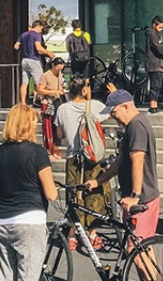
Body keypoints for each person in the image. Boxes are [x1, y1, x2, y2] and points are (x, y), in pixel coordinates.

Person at [0, 103, 58, 281]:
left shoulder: (0, 152)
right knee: (29, 276)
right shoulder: (37, 153)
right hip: (30, 220)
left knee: (7, 276)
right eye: (33, 122)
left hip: (2, 220)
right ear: (27, 124)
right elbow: (51, 193)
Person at [85, 90, 160, 245]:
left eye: (114, 112)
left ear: (125, 107)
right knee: (143, 251)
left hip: (142, 199)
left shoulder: (136, 126)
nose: (113, 117)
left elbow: (137, 161)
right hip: (144, 196)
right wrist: (99, 181)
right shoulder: (135, 124)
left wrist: (135, 196)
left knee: (136, 251)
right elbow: (120, 161)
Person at [54, 75, 110, 251]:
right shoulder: (95, 106)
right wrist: (89, 99)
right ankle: (92, 234)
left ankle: (72, 235)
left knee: (74, 195)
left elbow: (59, 135)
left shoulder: (62, 109)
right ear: (84, 89)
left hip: (73, 159)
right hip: (92, 159)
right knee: (93, 196)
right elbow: (109, 115)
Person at [14, 21, 53, 105]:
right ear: (38, 26)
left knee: (24, 83)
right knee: (40, 82)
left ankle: (23, 103)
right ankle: (41, 101)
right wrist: (48, 53)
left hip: (24, 60)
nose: (42, 30)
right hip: (34, 60)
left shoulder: (23, 34)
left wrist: (24, 48)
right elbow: (38, 48)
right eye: (41, 28)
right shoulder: (36, 35)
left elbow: (16, 46)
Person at [35, 56, 66, 160]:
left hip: (57, 101)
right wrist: (52, 92)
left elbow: (61, 85)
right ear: (53, 66)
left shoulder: (60, 75)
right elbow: (40, 89)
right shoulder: (45, 75)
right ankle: (48, 151)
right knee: (48, 127)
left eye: (61, 69)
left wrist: (61, 90)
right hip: (47, 102)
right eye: (58, 68)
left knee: (56, 126)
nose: (59, 71)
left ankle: (55, 149)